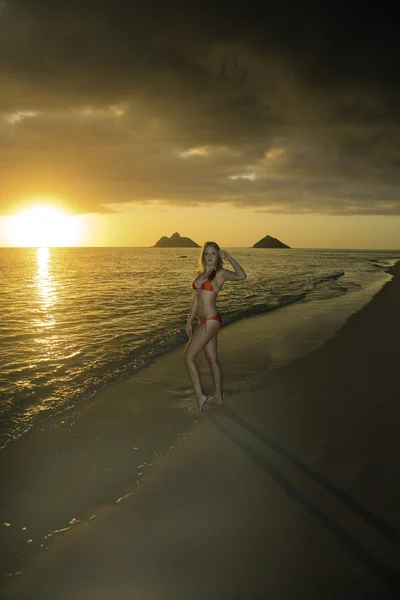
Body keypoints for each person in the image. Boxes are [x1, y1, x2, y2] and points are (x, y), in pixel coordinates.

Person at [183, 241, 247, 410]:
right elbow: (196, 300)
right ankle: (217, 397)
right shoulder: (202, 273)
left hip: (210, 321)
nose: (209, 257)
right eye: (206, 253)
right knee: (212, 360)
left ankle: (199, 396)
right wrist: (189, 321)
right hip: (203, 321)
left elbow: (242, 276)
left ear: (217, 255)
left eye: (213, 253)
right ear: (203, 256)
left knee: (188, 357)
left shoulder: (220, 274)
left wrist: (230, 257)